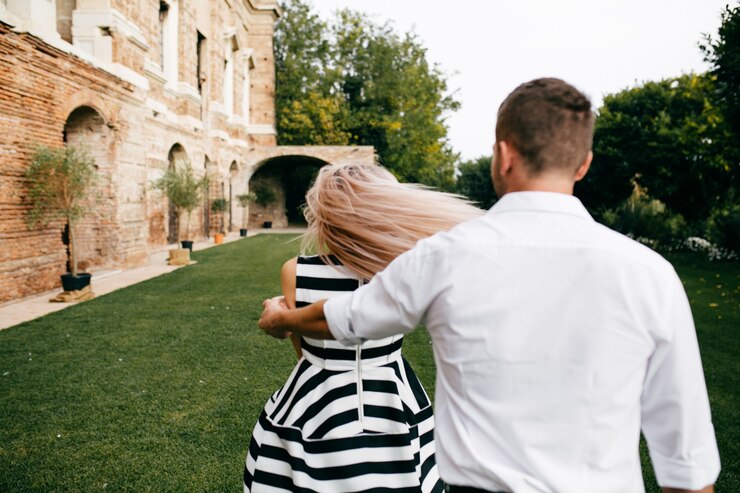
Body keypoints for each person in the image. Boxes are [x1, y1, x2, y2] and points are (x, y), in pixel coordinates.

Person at [258, 78, 721, 493]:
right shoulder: (651, 272)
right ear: (584, 165)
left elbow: (346, 317)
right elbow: (687, 461)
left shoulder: (443, 257)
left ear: (503, 155)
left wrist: (282, 319)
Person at [243, 163, 483, 492]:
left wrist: (280, 316)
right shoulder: (403, 265)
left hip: (316, 395)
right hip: (393, 394)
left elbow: (303, 352)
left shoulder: (295, 271)